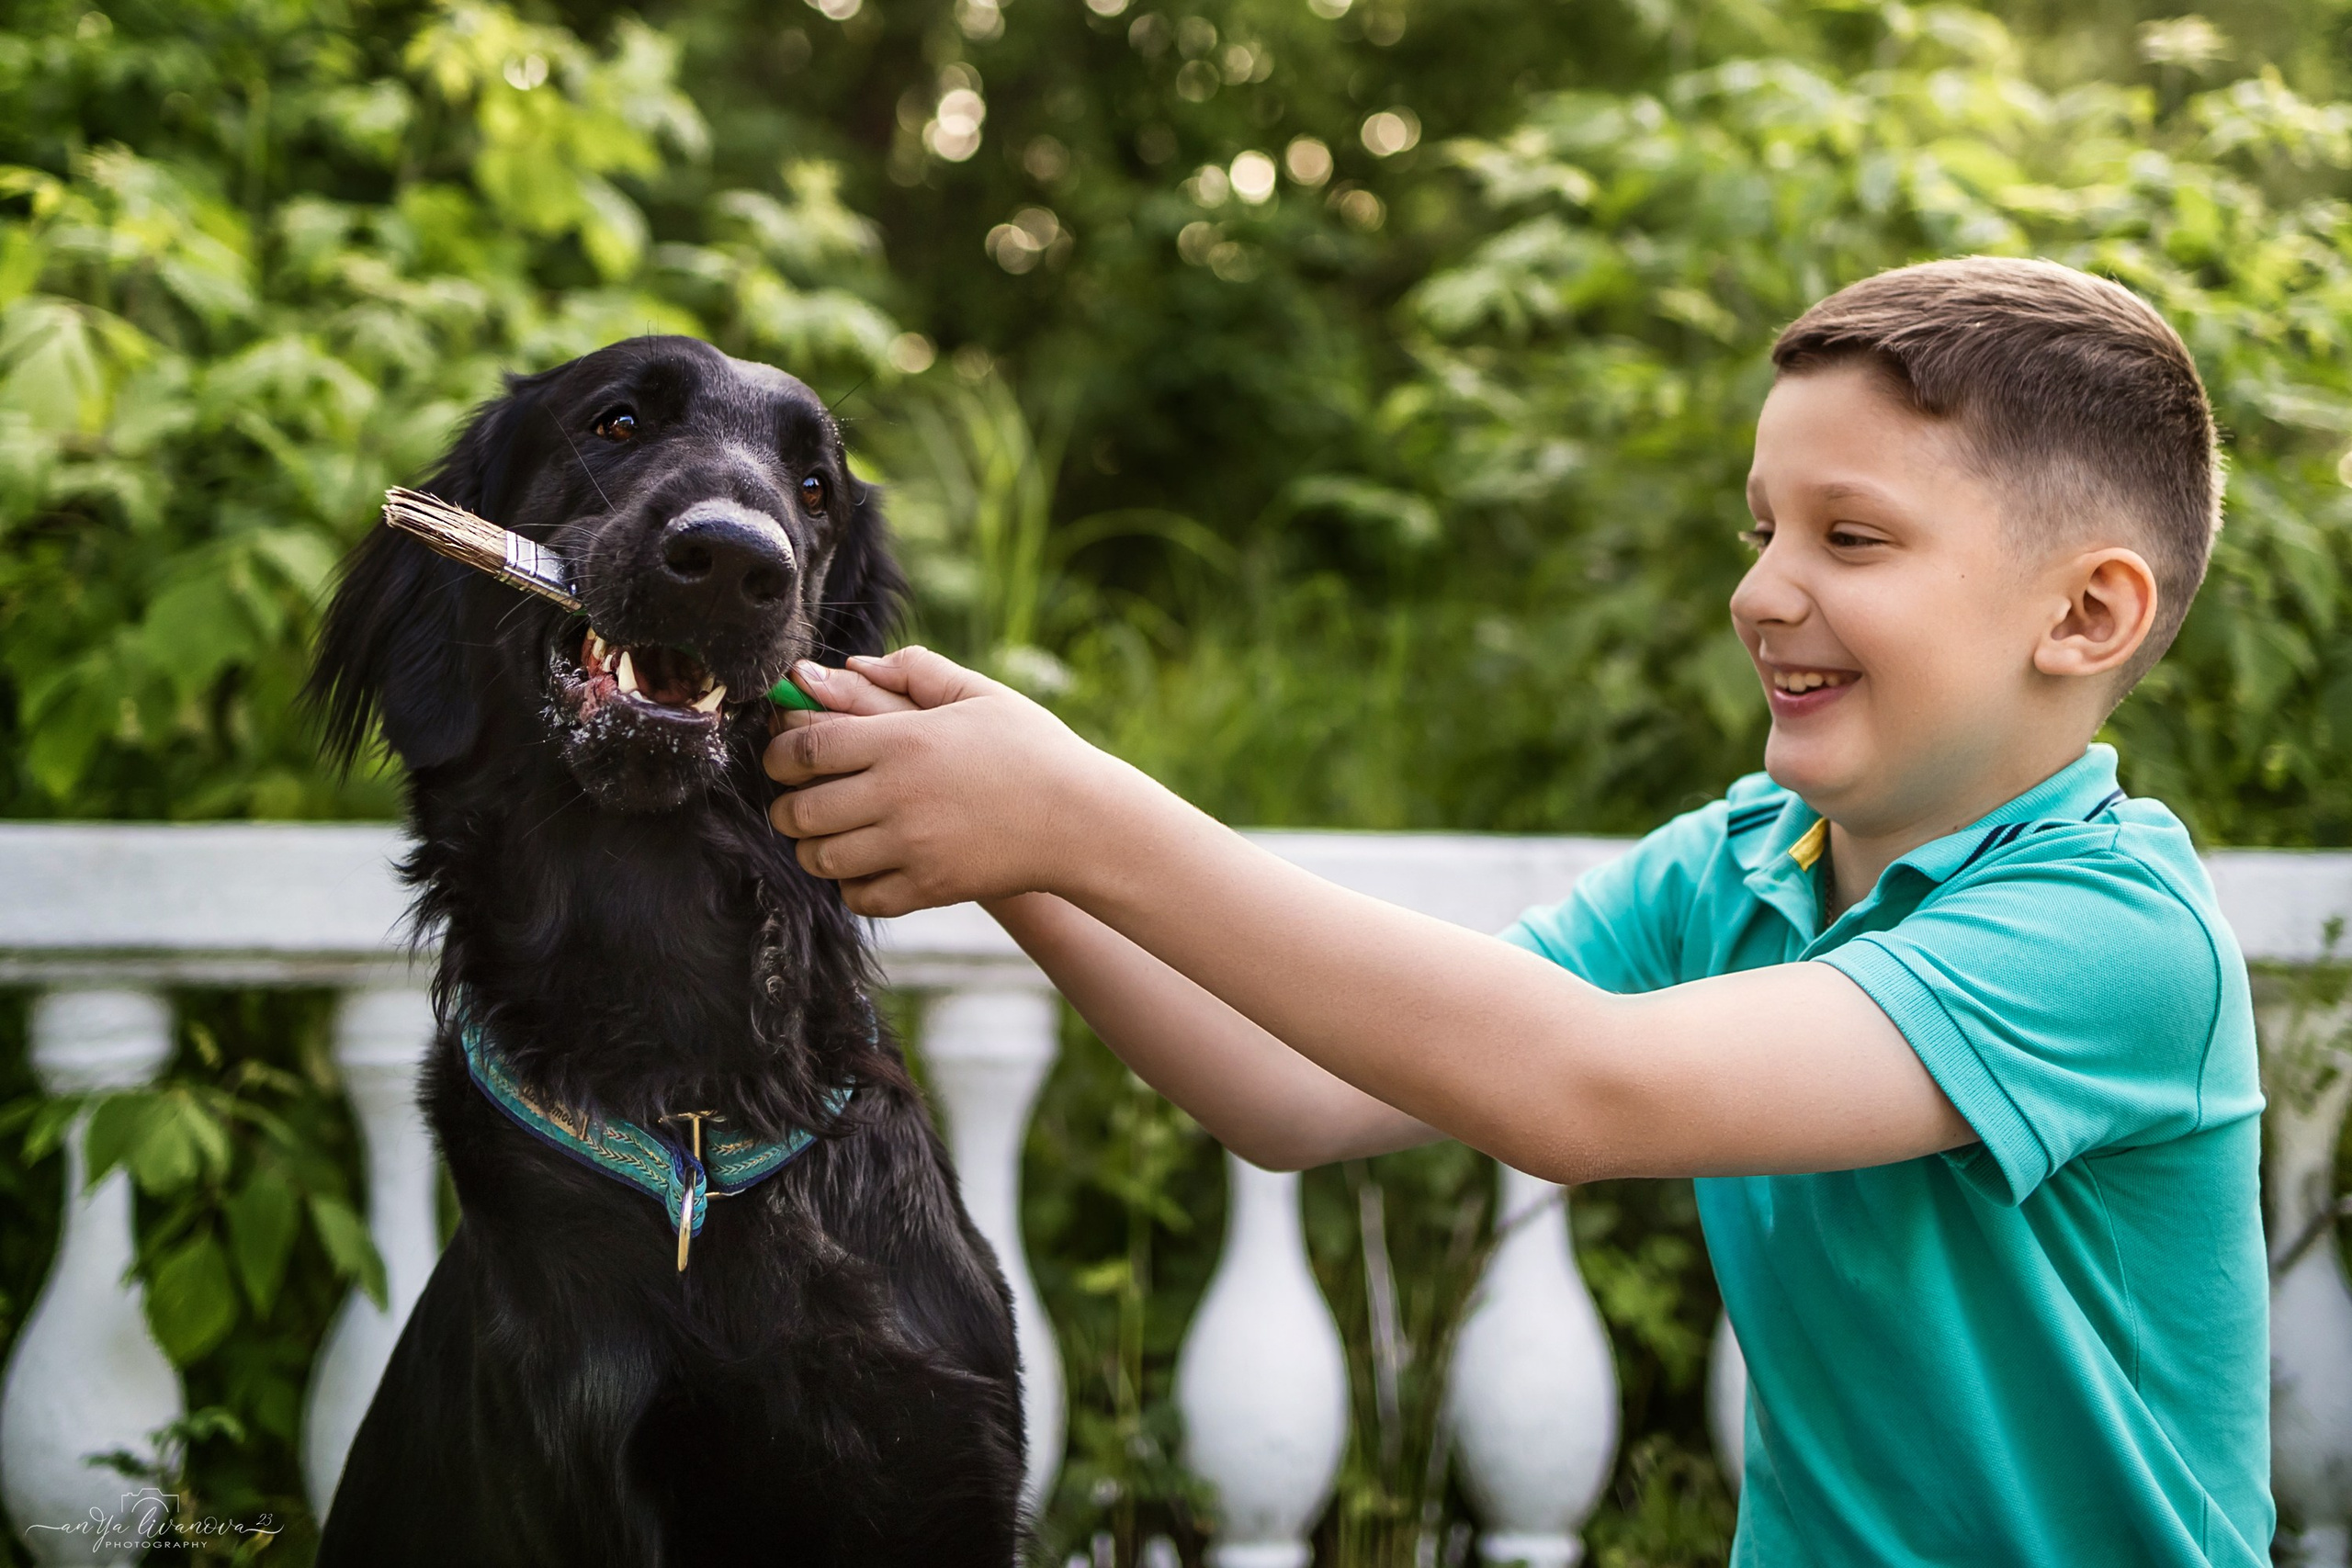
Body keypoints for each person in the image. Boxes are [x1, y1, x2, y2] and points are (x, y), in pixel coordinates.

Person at [763, 256, 2270, 1565]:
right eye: (1762, 533)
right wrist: (1015, 847)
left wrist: (1075, 803)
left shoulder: (2112, 937)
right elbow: (1291, 1094)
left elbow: (1578, 1090)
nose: (1761, 591)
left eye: (1849, 538)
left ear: (2085, 616)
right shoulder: (1742, 867)